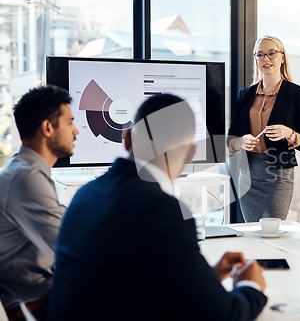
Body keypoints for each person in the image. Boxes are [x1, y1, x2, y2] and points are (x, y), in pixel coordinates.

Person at [48, 94, 267, 321]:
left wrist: (206, 277)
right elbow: (225, 316)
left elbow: (122, 282)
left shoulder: (86, 194)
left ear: (127, 139)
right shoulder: (161, 211)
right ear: (191, 155)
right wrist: (250, 284)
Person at [0, 85, 79, 320]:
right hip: (32, 303)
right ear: (47, 127)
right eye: (70, 122)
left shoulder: (25, 170)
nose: (76, 131)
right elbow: (68, 248)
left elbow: (62, 221)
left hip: (41, 293)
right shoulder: (26, 176)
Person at [227, 35, 300, 222]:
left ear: (282, 57)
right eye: (260, 55)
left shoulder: (297, 94)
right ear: (256, 59)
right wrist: (241, 141)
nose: (266, 59)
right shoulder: (245, 95)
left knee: (274, 232)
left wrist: (288, 133)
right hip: (247, 175)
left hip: (278, 176)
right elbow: (230, 140)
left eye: (271, 53)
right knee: (252, 232)